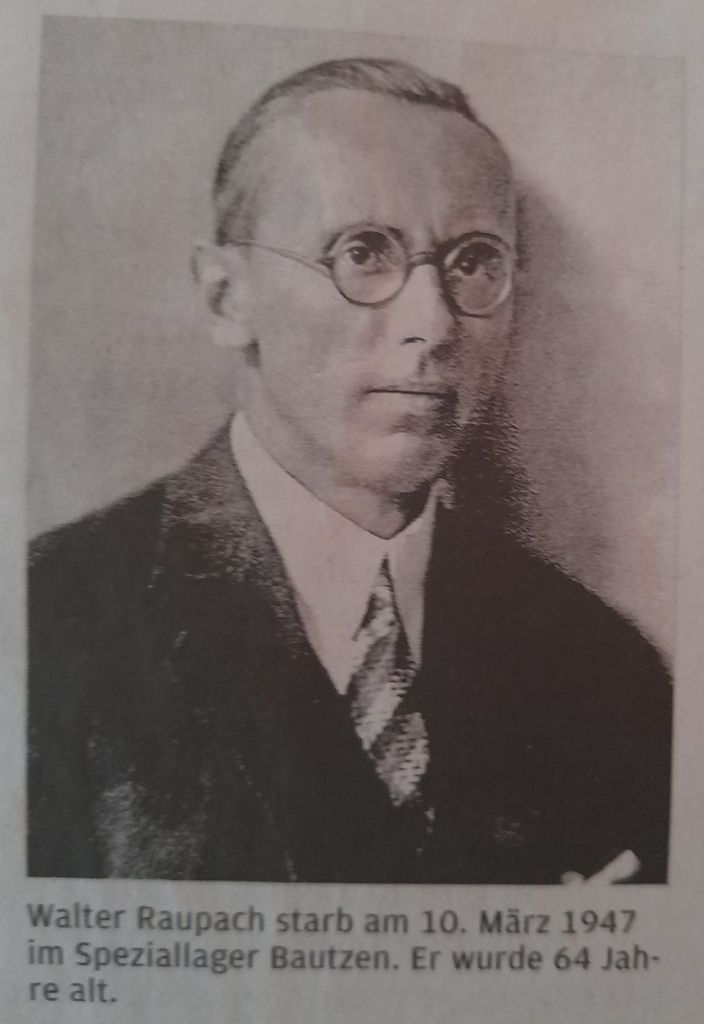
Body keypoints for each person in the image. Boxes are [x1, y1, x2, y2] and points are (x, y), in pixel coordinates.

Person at [28, 57, 671, 883]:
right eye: (362, 252)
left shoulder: (607, 670)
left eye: (474, 262)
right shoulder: (49, 628)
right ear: (226, 297)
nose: (434, 325)